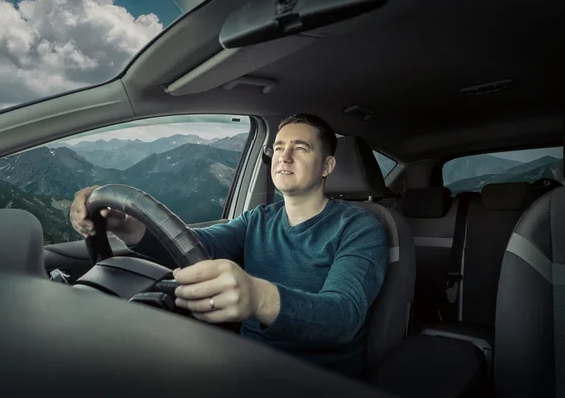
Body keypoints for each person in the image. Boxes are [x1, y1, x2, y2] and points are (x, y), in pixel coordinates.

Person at [70, 113, 389, 378]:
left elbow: (342, 316)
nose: (284, 157)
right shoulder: (258, 219)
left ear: (327, 167)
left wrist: (258, 298)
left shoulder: (360, 228)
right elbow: (196, 246)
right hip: (243, 362)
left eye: (301, 148)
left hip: (316, 379)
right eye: (278, 148)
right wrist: (125, 224)